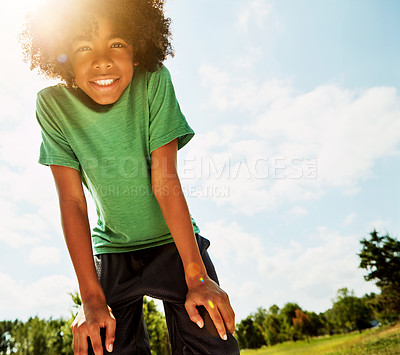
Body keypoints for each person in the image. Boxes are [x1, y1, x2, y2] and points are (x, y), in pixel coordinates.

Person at [21, 0, 240, 354]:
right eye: (83, 47)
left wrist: (198, 277)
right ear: (63, 58)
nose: (102, 60)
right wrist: (91, 299)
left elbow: (164, 180)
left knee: (212, 335)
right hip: (113, 252)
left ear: (138, 50)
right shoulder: (52, 105)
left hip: (175, 245)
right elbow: (73, 202)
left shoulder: (154, 81)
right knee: (100, 345)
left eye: (117, 43)